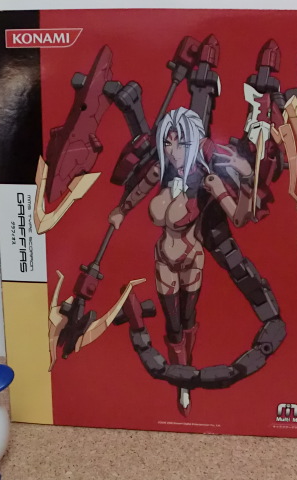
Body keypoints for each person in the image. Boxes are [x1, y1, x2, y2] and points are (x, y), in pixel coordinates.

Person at [108, 107, 255, 415]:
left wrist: (246, 178)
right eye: (168, 142)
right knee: (172, 326)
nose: (173, 150)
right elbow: (139, 189)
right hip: (163, 258)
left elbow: (240, 217)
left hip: (192, 259)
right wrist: (122, 210)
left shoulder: (207, 179)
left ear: (195, 142)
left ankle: (184, 383)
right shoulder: (161, 172)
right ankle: (183, 383)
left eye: (181, 143)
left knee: (187, 321)